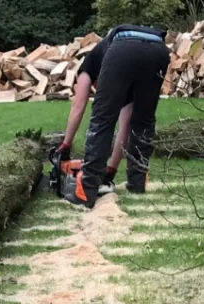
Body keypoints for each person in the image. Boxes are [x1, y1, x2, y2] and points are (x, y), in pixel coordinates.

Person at [56, 24, 170, 209]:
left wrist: (65, 145)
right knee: (143, 122)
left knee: (102, 119)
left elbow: (78, 106)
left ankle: (85, 189)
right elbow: (125, 126)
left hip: (124, 47)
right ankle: (137, 183)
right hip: (158, 49)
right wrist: (110, 170)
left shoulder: (89, 64)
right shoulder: (125, 79)